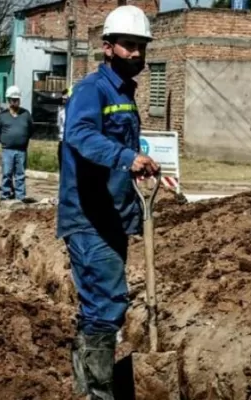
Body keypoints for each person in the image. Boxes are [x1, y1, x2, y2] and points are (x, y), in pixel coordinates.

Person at [56, 5, 160, 399]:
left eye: (141, 46)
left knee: (100, 308)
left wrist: (136, 171)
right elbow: (80, 135)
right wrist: (126, 157)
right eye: (128, 45)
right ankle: (98, 394)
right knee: (107, 305)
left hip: (113, 216)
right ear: (107, 47)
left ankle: (87, 387)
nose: (136, 53)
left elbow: (115, 147)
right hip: (89, 217)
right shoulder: (91, 90)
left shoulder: (124, 93)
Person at [0, 85, 34, 201]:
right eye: (13, 100)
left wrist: (23, 139)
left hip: (21, 150)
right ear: (8, 100)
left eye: (17, 99)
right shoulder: (2, 116)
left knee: (20, 175)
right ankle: (5, 196)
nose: (15, 102)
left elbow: (31, 130)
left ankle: (20, 197)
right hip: (7, 150)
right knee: (7, 174)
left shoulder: (26, 114)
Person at [57, 86, 71, 171]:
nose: (63, 101)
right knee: (61, 164)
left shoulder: (75, 112)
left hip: (71, 142)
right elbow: (59, 125)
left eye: (65, 99)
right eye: (63, 99)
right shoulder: (61, 111)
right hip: (62, 141)